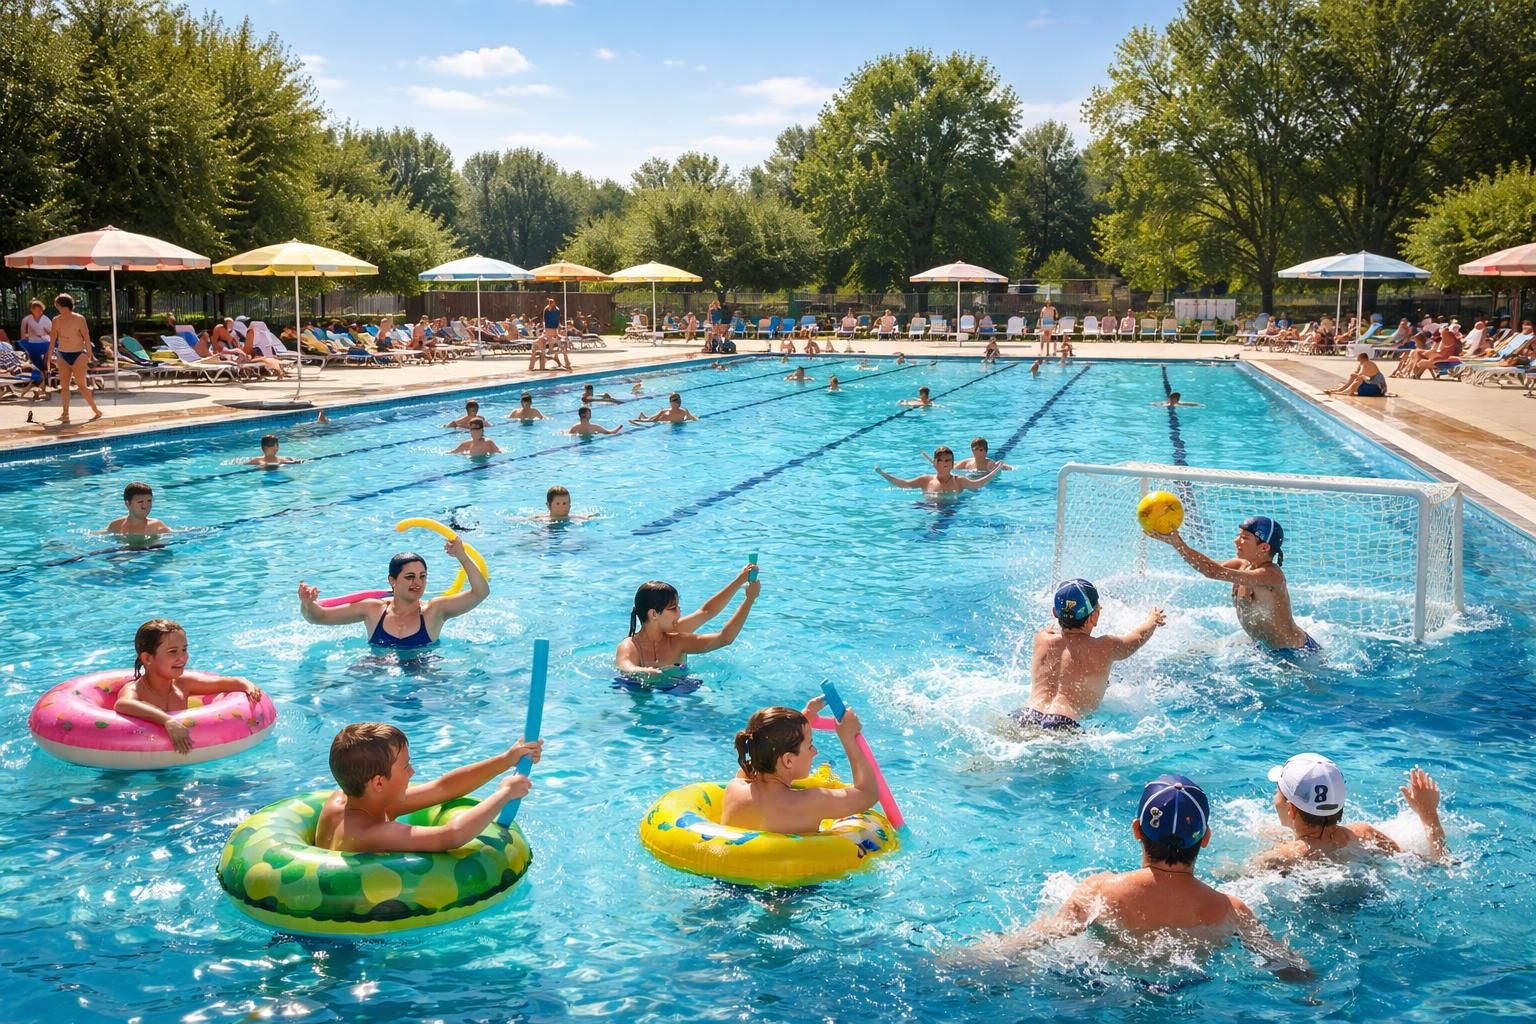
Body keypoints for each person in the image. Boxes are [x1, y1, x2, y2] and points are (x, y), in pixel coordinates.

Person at [958, 773, 1312, 981]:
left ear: (1137, 831)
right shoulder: (1229, 909)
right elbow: (1291, 968)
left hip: (1109, 993)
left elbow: (1029, 943)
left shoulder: (1099, 891)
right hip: (1187, 999)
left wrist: (961, 961)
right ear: (1205, 838)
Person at [313, 722, 543, 854]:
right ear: (379, 783)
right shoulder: (375, 833)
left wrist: (507, 759)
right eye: (406, 766)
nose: (412, 772)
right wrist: (505, 793)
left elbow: (443, 788)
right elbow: (452, 835)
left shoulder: (344, 802)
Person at [1150, 516, 1318, 656]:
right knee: (1192, 651)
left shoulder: (1272, 576)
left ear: (1264, 547)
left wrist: (1178, 543)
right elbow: (1206, 567)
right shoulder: (1241, 565)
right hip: (1263, 647)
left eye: (1245, 538)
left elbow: (1212, 571)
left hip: (1297, 653)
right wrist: (1174, 543)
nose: (1236, 541)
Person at [1010, 579, 1164, 730]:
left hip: (1025, 715)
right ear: (1094, 616)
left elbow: (1058, 636)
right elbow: (1136, 639)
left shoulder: (1042, 638)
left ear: (1055, 612)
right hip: (1063, 723)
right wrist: (1152, 620)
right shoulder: (1104, 646)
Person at [1251, 754, 1448, 871]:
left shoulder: (1279, 858)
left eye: (1278, 791)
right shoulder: (1365, 835)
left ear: (1291, 808)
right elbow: (1437, 865)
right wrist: (1428, 812)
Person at [720, 697, 879, 832]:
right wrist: (848, 738)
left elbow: (756, 758)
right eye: (810, 745)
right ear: (788, 760)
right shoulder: (811, 802)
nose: (815, 752)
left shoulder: (734, 789)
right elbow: (868, 794)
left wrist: (805, 720)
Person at [298, 538, 490, 649]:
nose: (418, 583)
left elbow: (480, 593)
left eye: (422, 576)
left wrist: (462, 556)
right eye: (410, 577)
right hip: (377, 674)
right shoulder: (372, 609)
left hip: (423, 678)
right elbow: (319, 617)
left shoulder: (435, 610)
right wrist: (307, 603)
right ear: (392, 581)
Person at [111, 619, 264, 755]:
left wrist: (246, 685)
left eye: (184, 649)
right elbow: (123, 704)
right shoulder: (135, 690)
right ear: (147, 658)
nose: (182, 657)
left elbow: (222, 683)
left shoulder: (183, 684)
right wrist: (167, 721)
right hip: (138, 758)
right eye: (173, 652)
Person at [615, 564, 761, 680]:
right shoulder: (630, 645)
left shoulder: (678, 640)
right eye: (673, 608)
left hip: (678, 691)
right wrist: (643, 671)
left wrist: (748, 598)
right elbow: (625, 666)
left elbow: (723, 636)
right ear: (653, 614)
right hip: (639, 691)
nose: (679, 612)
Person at [46, 293, 101, 423]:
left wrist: (89, 353)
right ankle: (65, 413)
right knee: (64, 386)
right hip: (63, 354)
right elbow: (53, 339)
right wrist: (49, 356)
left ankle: (95, 409)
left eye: (57, 305)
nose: (56, 307)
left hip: (78, 354)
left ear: (61, 305)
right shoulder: (56, 320)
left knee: (81, 385)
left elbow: (86, 337)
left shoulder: (79, 319)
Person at [875, 446, 1002, 495]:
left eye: (948, 461)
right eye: (942, 460)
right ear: (935, 463)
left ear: (952, 464)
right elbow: (905, 484)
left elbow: (978, 483)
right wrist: (884, 474)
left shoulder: (959, 481)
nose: (946, 463)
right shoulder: (925, 480)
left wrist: (995, 471)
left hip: (951, 511)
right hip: (927, 508)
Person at [105, 481, 171, 538]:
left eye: (149, 501)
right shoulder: (116, 525)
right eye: (140, 502)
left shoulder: (156, 527)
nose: (145, 506)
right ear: (127, 504)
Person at [925, 437, 1013, 474]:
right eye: (976, 450)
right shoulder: (967, 463)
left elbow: (1002, 465)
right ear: (972, 451)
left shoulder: (990, 463)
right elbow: (952, 467)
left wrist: (1009, 467)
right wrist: (938, 463)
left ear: (986, 451)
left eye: (981, 450)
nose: (979, 452)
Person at [630, 391, 698, 424]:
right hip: (671, 424)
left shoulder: (666, 412)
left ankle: (644, 417)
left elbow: (652, 421)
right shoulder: (684, 411)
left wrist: (637, 420)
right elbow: (694, 418)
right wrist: (636, 420)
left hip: (667, 421)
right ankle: (644, 417)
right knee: (654, 417)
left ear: (670, 402)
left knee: (652, 417)